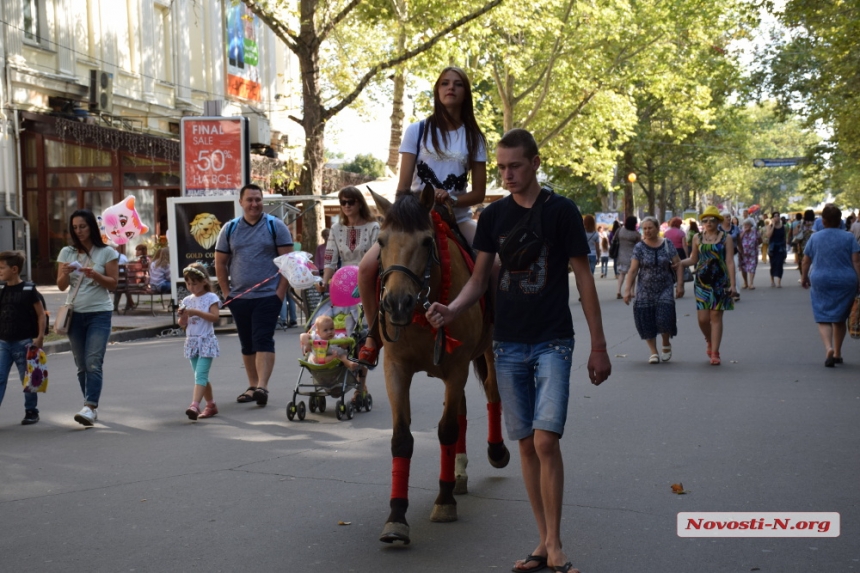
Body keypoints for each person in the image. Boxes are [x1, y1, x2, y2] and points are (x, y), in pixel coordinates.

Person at [425, 129, 611, 573]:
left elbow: (584, 279)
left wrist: (598, 346)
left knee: (546, 440)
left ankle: (556, 541)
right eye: (502, 167)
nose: (506, 174)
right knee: (526, 444)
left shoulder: (561, 211)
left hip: (553, 341)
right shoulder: (493, 218)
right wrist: (450, 311)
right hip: (506, 344)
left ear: (535, 163)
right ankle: (544, 542)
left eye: (515, 166)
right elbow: (478, 279)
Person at [358, 66, 487, 368]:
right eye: (444, 83)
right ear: (437, 90)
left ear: (465, 92)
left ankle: (496, 332)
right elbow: (403, 187)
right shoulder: (417, 130)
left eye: (457, 84)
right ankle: (372, 335)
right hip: (416, 219)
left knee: (493, 266)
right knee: (365, 269)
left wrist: (451, 198)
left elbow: (478, 193)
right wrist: (421, 202)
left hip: (458, 218)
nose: (450, 88)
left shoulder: (474, 137)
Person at [215, 183, 294, 406]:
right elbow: (220, 263)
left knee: (262, 339)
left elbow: (289, 263)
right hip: (239, 297)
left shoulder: (275, 226)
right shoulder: (229, 229)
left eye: (258, 199)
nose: (254, 204)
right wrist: (226, 293)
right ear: (241, 202)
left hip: (268, 296)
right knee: (247, 343)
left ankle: (262, 386)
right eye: (249, 199)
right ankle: (252, 385)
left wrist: (279, 293)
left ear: (263, 201)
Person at [317, 186, 379, 402]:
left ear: (359, 202)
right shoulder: (336, 229)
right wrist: (324, 281)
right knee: (341, 334)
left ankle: (360, 386)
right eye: (343, 202)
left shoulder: (373, 227)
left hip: (367, 283)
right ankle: (337, 378)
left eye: (351, 201)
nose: (347, 206)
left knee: (362, 336)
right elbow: (330, 259)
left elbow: (378, 258)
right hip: (342, 286)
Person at [57, 209, 119, 426]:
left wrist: (96, 275)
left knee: (93, 362)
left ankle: (90, 406)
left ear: (92, 226)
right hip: (74, 314)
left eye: (82, 226)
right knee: (81, 364)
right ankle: (88, 405)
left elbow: (113, 283)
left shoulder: (107, 253)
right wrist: (65, 273)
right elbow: (61, 285)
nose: (79, 231)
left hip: (99, 313)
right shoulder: (67, 252)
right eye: (74, 227)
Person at [800, 204, 860, 367]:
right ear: (840, 220)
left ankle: (828, 347)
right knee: (840, 317)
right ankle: (838, 353)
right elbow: (856, 261)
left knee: (823, 316)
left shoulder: (815, 237)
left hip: (821, 279)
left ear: (823, 221)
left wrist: (804, 278)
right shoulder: (849, 237)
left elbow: (806, 261)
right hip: (846, 280)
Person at [679, 206, 736, 365]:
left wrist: (733, 285)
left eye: (712, 219)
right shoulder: (697, 237)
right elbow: (693, 259)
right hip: (702, 282)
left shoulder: (726, 238)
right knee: (703, 319)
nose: (708, 222)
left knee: (716, 316)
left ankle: (715, 352)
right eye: (705, 220)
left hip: (720, 281)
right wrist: (678, 263)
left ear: (718, 221)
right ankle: (709, 340)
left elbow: (730, 261)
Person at [623, 217, 684, 363]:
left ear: (657, 228)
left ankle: (665, 343)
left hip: (665, 287)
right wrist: (627, 290)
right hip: (645, 289)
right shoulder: (639, 247)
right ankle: (653, 352)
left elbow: (678, 264)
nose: (647, 231)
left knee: (664, 317)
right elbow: (632, 270)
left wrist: (680, 285)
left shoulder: (667, 244)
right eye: (644, 228)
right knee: (646, 320)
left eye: (650, 228)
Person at [0, 251, 46, 425]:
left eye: (1, 268)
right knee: (0, 377)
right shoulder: (1, 290)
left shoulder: (28, 289)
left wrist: (40, 337)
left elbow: (41, 314)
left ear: (14, 269)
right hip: (3, 343)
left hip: (23, 343)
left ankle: (31, 411)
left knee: (28, 379)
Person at [178, 263, 221, 420]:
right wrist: (183, 316)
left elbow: (215, 317)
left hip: (206, 341)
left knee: (200, 374)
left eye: (194, 283)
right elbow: (182, 324)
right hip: (192, 341)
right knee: (200, 375)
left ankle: (194, 406)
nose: (191, 287)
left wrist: (196, 312)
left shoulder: (211, 298)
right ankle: (211, 404)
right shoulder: (187, 300)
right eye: (188, 283)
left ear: (204, 282)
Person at [615, 216, 641, 300]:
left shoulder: (620, 230)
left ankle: (618, 290)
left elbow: (614, 239)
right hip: (632, 255)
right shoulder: (635, 234)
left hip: (621, 254)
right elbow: (639, 244)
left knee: (622, 273)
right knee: (632, 272)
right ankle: (632, 292)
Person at [720, 212, 742, 301]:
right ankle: (725, 291)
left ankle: (736, 292)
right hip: (721, 254)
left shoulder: (735, 228)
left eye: (729, 217)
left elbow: (739, 240)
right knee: (723, 272)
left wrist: (742, 251)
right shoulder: (718, 229)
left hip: (734, 253)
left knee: (735, 271)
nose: (728, 218)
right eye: (726, 217)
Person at [738, 218, 761, 290]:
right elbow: (738, 240)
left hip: (752, 253)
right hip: (742, 253)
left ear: (751, 225)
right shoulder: (741, 231)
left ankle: (751, 283)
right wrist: (744, 232)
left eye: (748, 224)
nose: (746, 226)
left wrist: (755, 245)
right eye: (745, 225)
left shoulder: (755, 232)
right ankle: (745, 282)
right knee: (743, 268)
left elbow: (760, 240)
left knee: (752, 267)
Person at [766, 212, 787, 287]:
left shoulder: (783, 227)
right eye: (775, 216)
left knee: (780, 264)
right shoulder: (770, 226)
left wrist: (785, 248)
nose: (777, 218)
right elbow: (769, 235)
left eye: (778, 216)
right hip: (773, 248)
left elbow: (784, 238)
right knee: (773, 264)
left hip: (781, 248)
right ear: (772, 218)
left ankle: (779, 282)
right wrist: (773, 225)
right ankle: (772, 280)